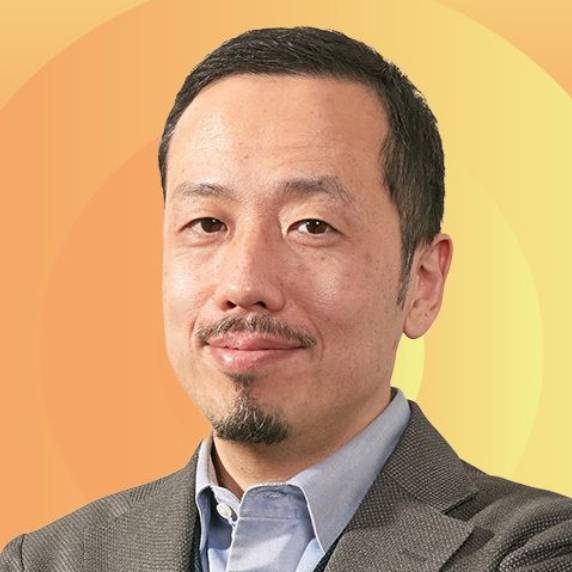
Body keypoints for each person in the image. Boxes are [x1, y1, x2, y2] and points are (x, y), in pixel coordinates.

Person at [1, 26, 571, 572]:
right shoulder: (48, 560)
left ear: (423, 281)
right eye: (206, 223)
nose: (244, 284)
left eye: (312, 226)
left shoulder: (538, 551)